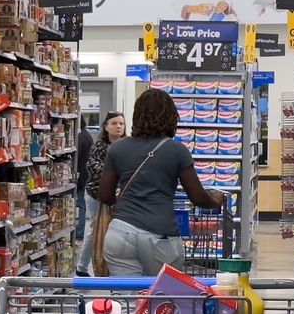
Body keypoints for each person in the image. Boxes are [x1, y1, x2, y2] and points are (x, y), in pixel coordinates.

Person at [98, 89, 225, 277]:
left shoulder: (118, 148)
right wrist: (216, 200)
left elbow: (105, 196)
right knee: (162, 299)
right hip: (161, 237)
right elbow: (197, 197)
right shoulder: (177, 151)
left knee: (127, 299)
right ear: (170, 117)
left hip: (121, 232)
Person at [75, 111, 125, 277]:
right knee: (96, 229)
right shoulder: (99, 146)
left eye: (121, 124)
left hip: (121, 195)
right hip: (97, 193)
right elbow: (94, 169)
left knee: (118, 230)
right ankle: (82, 267)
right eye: (114, 123)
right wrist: (115, 176)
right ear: (106, 126)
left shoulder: (128, 145)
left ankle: (112, 267)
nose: (118, 126)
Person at [74, 121, 93, 243]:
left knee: (81, 206)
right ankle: (79, 234)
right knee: (82, 205)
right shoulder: (88, 135)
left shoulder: (80, 136)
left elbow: (78, 155)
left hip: (80, 175)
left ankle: (79, 235)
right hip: (85, 174)